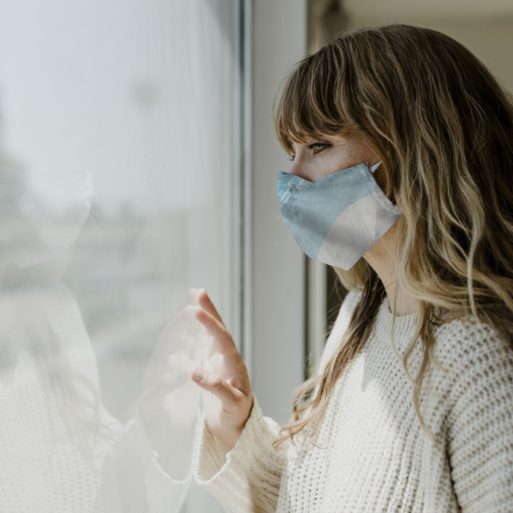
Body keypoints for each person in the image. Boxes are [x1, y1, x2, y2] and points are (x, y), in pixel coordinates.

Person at [189, 23, 513, 513]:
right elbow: (315, 499)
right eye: (290, 152)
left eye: (319, 146)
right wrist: (237, 425)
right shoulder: (362, 319)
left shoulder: (478, 358)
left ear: (419, 150)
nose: (292, 177)